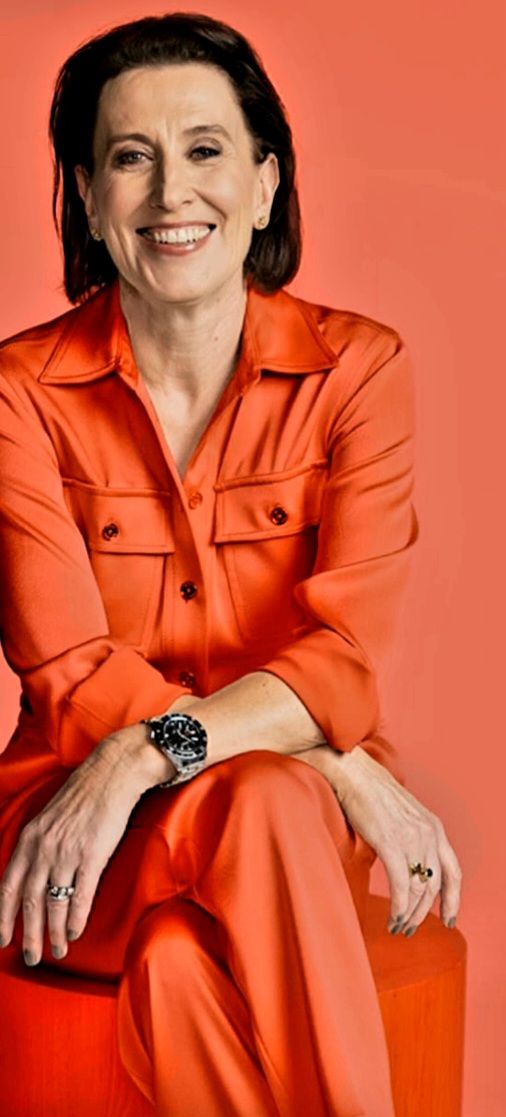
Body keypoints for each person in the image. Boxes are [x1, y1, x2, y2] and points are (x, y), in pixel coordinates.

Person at [0, 11, 462, 1117]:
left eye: (205, 149)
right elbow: (71, 675)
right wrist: (339, 764)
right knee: (263, 799)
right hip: (86, 841)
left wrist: (145, 751)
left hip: (279, 835)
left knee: (182, 957)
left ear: (263, 185)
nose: (172, 192)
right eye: (131, 157)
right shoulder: (15, 397)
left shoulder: (358, 372)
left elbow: (344, 657)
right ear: (89, 199)